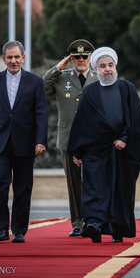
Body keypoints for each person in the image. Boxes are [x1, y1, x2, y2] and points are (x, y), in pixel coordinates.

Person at [67, 47, 140, 243]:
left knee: (119, 191)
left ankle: (117, 230)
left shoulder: (127, 88)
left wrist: (125, 138)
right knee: (94, 188)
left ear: (115, 66)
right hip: (95, 150)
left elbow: (135, 118)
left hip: (120, 150)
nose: (107, 69)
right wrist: (78, 151)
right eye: (102, 66)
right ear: (96, 69)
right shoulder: (89, 92)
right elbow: (82, 123)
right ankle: (94, 225)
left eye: (110, 65)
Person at [0, 40, 48, 243]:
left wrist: (40, 140)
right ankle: (1, 228)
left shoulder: (35, 82)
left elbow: (41, 113)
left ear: (23, 58)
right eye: (9, 57)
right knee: (0, 183)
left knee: (23, 187)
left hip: (26, 142)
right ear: (3, 59)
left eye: (16, 57)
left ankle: (19, 230)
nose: (13, 61)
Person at [43, 39, 96, 237]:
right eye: (76, 57)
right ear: (71, 59)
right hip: (69, 138)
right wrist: (58, 67)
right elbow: (42, 87)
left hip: (93, 139)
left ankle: (93, 221)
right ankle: (77, 223)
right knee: (74, 184)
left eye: (84, 56)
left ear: (90, 57)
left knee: (93, 181)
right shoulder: (62, 77)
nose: (80, 60)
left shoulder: (98, 76)